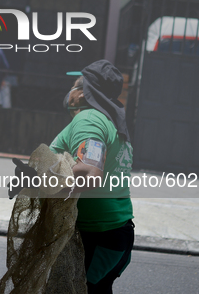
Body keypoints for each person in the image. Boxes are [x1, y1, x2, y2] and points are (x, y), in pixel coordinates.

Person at [49, 60, 134, 294]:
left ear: (86, 93)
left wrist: (42, 184)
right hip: (113, 235)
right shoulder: (111, 121)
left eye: (76, 86)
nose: (72, 91)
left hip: (98, 238)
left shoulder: (89, 119)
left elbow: (88, 173)